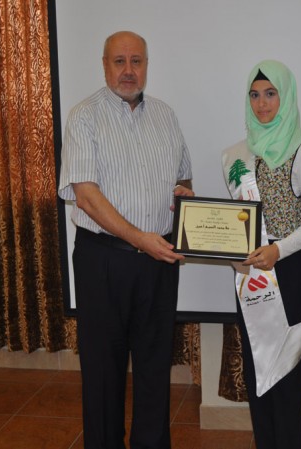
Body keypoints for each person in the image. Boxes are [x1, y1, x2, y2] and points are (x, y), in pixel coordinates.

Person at [58, 31, 193, 449]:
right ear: (105, 66)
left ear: (147, 65)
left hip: (158, 263)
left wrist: (184, 194)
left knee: (154, 367)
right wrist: (140, 239)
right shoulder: (84, 117)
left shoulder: (166, 116)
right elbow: (86, 196)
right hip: (104, 261)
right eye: (120, 61)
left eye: (137, 61)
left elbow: (183, 178)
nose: (129, 70)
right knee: (103, 372)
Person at [222, 60, 301, 449]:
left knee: (286, 371)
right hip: (250, 273)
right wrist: (232, 252)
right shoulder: (239, 155)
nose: (262, 103)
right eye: (254, 95)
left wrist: (277, 250)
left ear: (286, 97)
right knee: (256, 368)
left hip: (288, 270)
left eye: (270, 94)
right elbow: (238, 221)